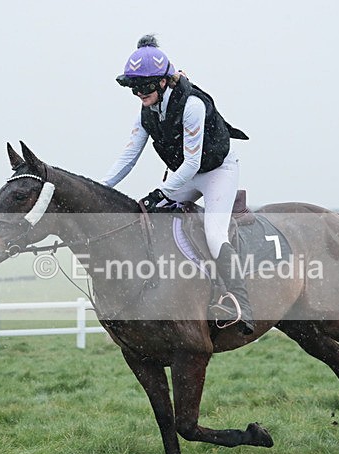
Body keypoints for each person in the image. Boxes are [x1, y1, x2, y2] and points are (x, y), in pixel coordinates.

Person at [102, 35, 254, 335]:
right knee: (152, 217)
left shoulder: (192, 105)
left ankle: (242, 303)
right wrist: (101, 187)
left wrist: (161, 192)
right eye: (134, 87)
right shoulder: (147, 111)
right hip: (188, 174)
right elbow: (128, 157)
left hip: (218, 171)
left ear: (163, 82)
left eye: (145, 86)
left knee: (214, 234)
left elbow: (192, 164)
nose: (139, 93)